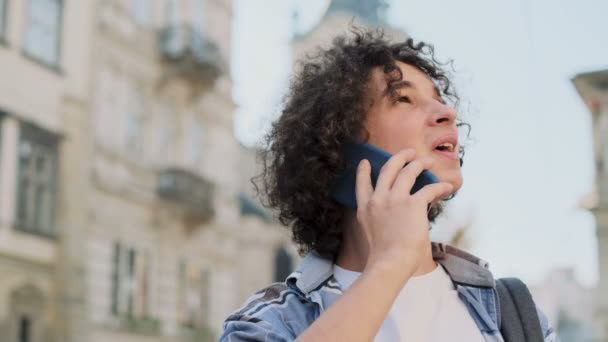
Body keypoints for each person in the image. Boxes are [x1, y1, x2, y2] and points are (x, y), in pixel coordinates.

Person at [220, 28, 559, 342]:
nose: (447, 112)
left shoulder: (513, 315)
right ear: (338, 147)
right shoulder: (270, 322)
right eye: (403, 99)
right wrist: (391, 263)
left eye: (439, 99)